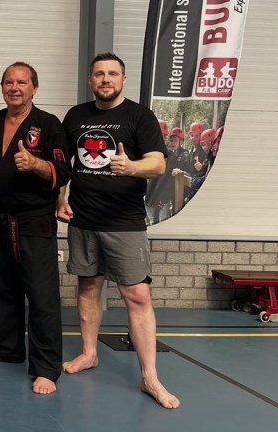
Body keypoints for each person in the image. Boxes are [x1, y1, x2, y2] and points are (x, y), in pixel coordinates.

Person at [57, 52, 180, 409]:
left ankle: (149, 377)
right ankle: (89, 353)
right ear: (90, 80)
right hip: (83, 219)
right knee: (87, 287)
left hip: (124, 221)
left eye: (112, 74)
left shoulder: (139, 116)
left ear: (123, 79)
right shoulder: (75, 116)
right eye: (99, 74)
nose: (105, 79)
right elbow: (65, 164)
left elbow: (158, 163)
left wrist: (131, 167)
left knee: (137, 296)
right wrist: (59, 198)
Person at [0, 62, 71, 394]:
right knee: (3, 289)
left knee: (41, 296)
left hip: (34, 222)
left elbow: (63, 171)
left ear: (34, 88)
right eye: (9, 82)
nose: (15, 88)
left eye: (22, 82)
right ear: (2, 88)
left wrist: (35, 163)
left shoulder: (48, 124)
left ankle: (46, 368)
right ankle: (9, 348)